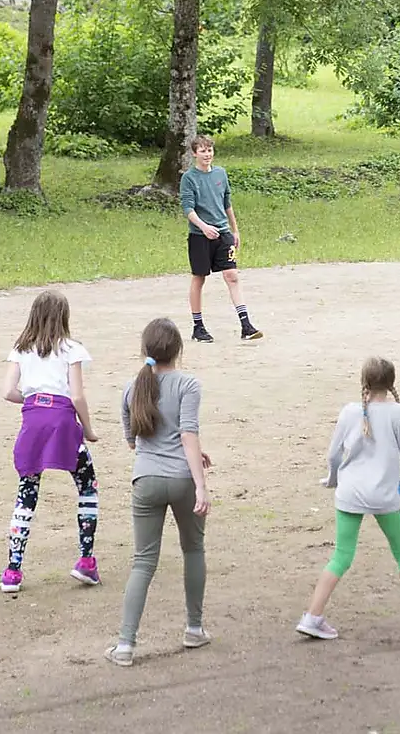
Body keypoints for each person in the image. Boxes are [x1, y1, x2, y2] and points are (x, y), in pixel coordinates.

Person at [297, 358, 400, 642]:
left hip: (349, 493)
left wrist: (332, 479)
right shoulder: (399, 414)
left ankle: (312, 616)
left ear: (363, 381)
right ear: (391, 383)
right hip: (384, 495)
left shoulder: (349, 411)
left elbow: (333, 454)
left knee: (341, 555)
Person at [109, 317, 212, 666]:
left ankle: (125, 644)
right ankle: (194, 628)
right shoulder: (188, 384)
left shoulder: (132, 388)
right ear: (178, 350)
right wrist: (200, 484)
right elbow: (187, 433)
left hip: (146, 480)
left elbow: (133, 441)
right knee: (193, 549)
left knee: (143, 562)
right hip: (183, 480)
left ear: (145, 350)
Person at [0, 289, 102, 594]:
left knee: (27, 491)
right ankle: (86, 559)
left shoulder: (20, 349)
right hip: (63, 422)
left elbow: (8, 391)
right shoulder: (72, 349)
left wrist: (33, 400)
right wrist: (88, 429)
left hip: (33, 422)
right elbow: (77, 396)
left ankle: (13, 570)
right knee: (87, 484)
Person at [181, 135, 263, 343]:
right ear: (194, 154)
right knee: (199, 277)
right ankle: (198, 327)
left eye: (209, 150)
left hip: (223, 233)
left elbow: (227, 203)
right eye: (202, 151)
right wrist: (204, 227)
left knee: (232, 275)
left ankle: (246, 325)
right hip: (200, 235)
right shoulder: (189, 178)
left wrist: (235, 230)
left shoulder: (221, 174)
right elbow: (188, 209)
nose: (207, 154)